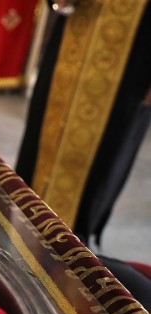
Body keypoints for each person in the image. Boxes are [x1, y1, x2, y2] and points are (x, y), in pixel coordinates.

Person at [16, 0, 151, 247]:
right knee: (42, 143)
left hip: (132, 53)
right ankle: (21, 227)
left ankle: (73, 249)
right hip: (75, 32)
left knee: (102, 160)